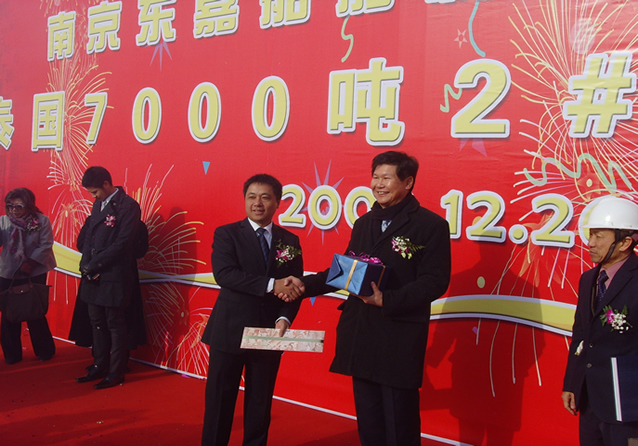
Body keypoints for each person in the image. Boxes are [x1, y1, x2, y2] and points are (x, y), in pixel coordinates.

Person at [287, 151, 451, 446]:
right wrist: (303, 285)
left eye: (387, 178)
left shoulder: (431, 225)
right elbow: (345, 271)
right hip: (361, 333)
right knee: (369, 420)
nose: (378, 184)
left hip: (397, 337)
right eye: (375, 177)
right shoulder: (364, 222)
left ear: (408, 182)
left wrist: (388, 299)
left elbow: (435, 281)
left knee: (399, 422)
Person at [200, 173, 305, 446]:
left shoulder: (289, 240)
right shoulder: (227, 234)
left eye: (265, 197)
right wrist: (271, 284)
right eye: (252, 197)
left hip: (268, 334)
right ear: (245, 200)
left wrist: (284, 318)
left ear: (278, 203)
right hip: (229, 331)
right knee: (219, 403)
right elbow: (225, 275)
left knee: (260, 405)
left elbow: (294, 286)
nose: (258, 203)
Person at [562, 195, 638, 445]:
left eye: (599, 236)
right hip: (590, 400)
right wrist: (572, 383)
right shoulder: (588, 279)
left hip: (628, 406)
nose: (590, 243)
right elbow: (581, 335)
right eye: (590, 234)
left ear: (625, 242)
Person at [74, 166, 142, 390]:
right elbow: (89, 237)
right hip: (93, 274)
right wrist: (85, 264)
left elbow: (123, 243)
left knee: (115, 324)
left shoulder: (128, 206)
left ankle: (116, 371)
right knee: (97, 322)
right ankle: (99, 364)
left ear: (106, 184)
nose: (93, 197)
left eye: (95, 192)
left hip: (114, 274)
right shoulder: (98, 204)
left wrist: (96, 264)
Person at [0, 188, 57, 364]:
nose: (14, 210)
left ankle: (44, 350)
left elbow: (46, 245)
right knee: (9, 313)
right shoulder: (3, 221)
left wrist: (29, 265)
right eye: (10, 206)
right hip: (8, 271)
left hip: (35, 270)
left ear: (29, 205)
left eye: (18, 206)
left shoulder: (41, 220)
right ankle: (12, 354)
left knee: (34, 311)